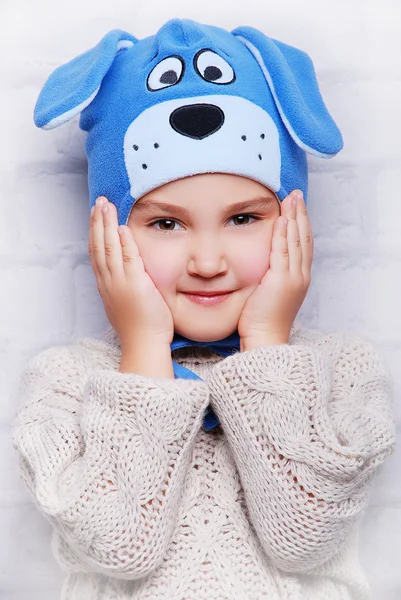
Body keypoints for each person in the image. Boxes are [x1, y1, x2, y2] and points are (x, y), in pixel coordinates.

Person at [12, 18, 396, 600]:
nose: (209, 260)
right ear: (109, 236)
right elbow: (118, 546)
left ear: (294, 222)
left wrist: (267, 338)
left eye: (244, 219)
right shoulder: (69, 383)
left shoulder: (342, 371)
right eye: (166, 223)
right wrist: (143, 351)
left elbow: (304, 537)